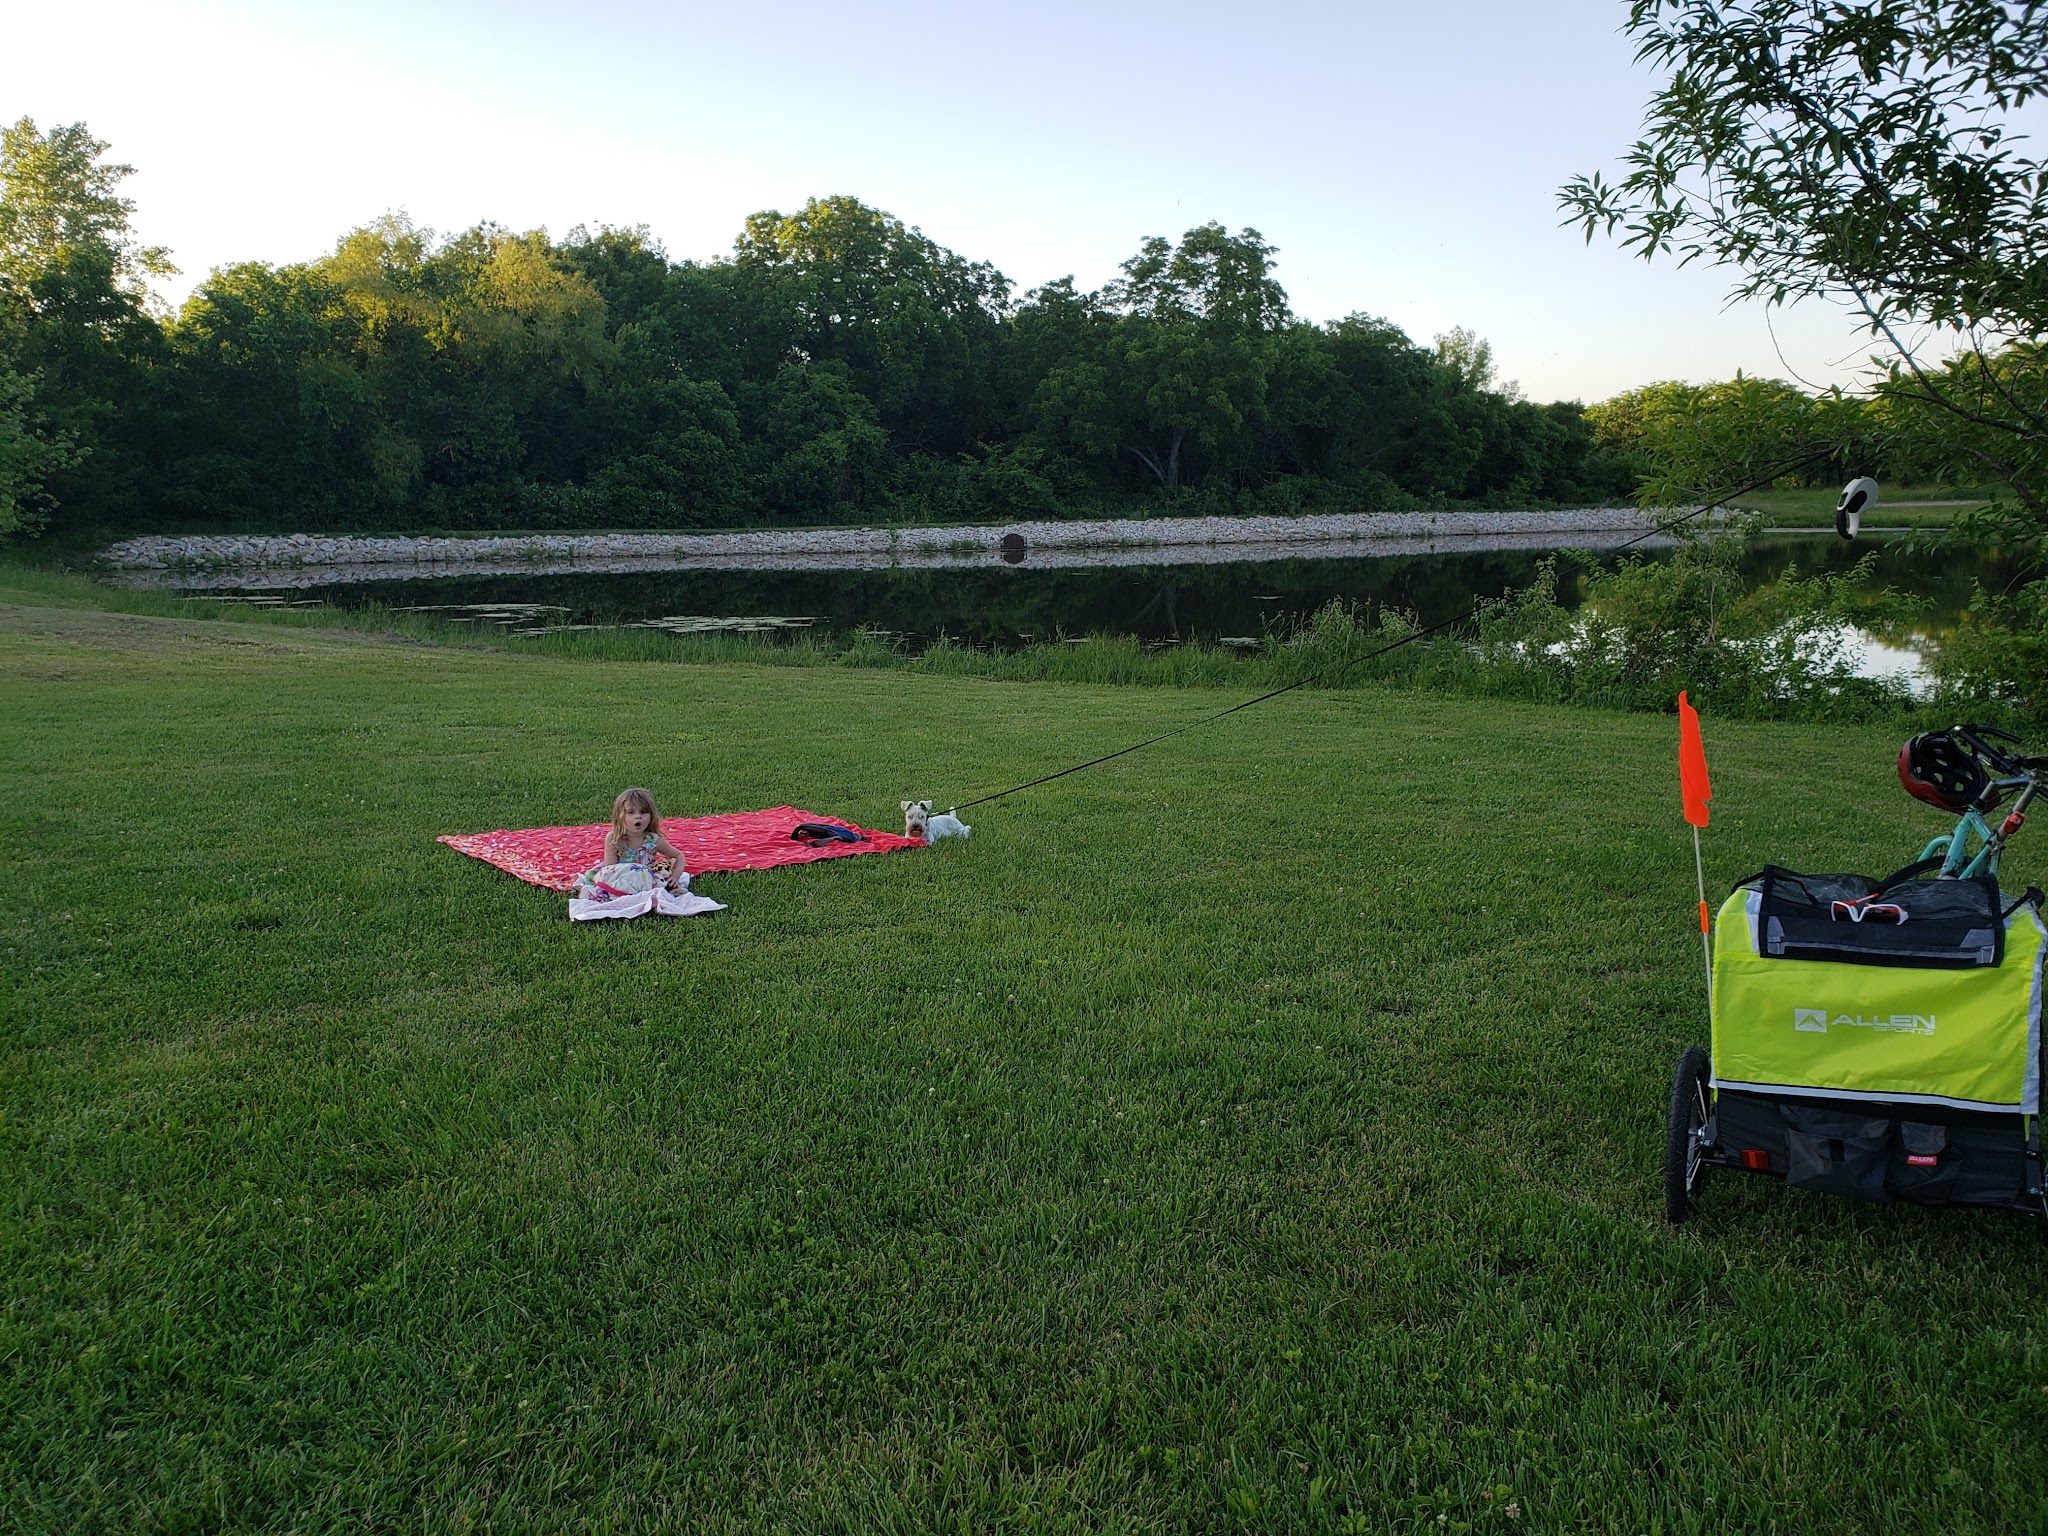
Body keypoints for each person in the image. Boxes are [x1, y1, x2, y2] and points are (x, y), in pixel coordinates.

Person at [572, 787, 689, 900]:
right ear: (620, 816)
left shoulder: (653, 840)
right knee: (602, 891)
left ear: (651, 816)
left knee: (664, 889)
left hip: (644, 879)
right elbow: (610, 871)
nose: (638, 816)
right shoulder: (614, 839)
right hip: (619, 878)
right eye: (631, 812)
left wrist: (675, 876)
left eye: (643, 812)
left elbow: (678, 856)